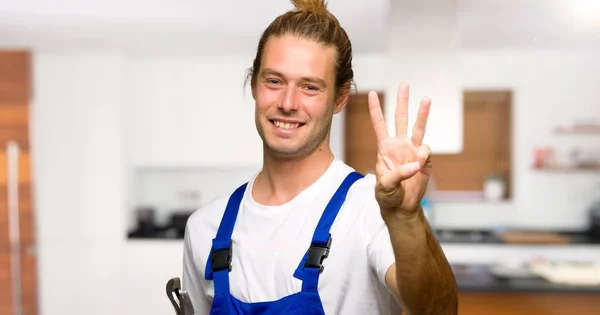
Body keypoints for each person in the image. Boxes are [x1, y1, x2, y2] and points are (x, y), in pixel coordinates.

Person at [182, 0, 458, 314]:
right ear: (254, 85)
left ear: (340, 98)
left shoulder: (370, 208)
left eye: (310, 87)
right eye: (274, 81)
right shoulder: (205, 227)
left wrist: (406, 220)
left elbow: (439, 311)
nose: (287, 102)